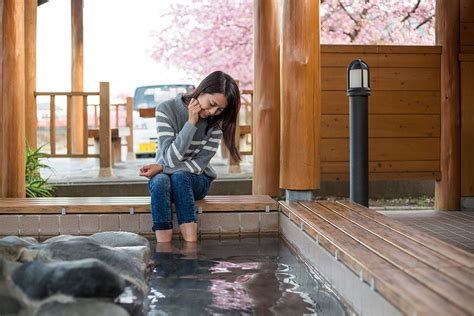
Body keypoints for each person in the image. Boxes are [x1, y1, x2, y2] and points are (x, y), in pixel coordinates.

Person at [139, 71, 241, 243]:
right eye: (211, 104)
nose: (213, 112)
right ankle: (164, 249)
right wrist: (191, 123)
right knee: (160, 181)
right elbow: (170, 158)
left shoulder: (216, 125)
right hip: (166, 179)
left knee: (179, 176)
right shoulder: (166, 109)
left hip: (197, 180)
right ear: (202, 90)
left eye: (220, 110)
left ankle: (190, 249)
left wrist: (162, 167)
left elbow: (198, 165)